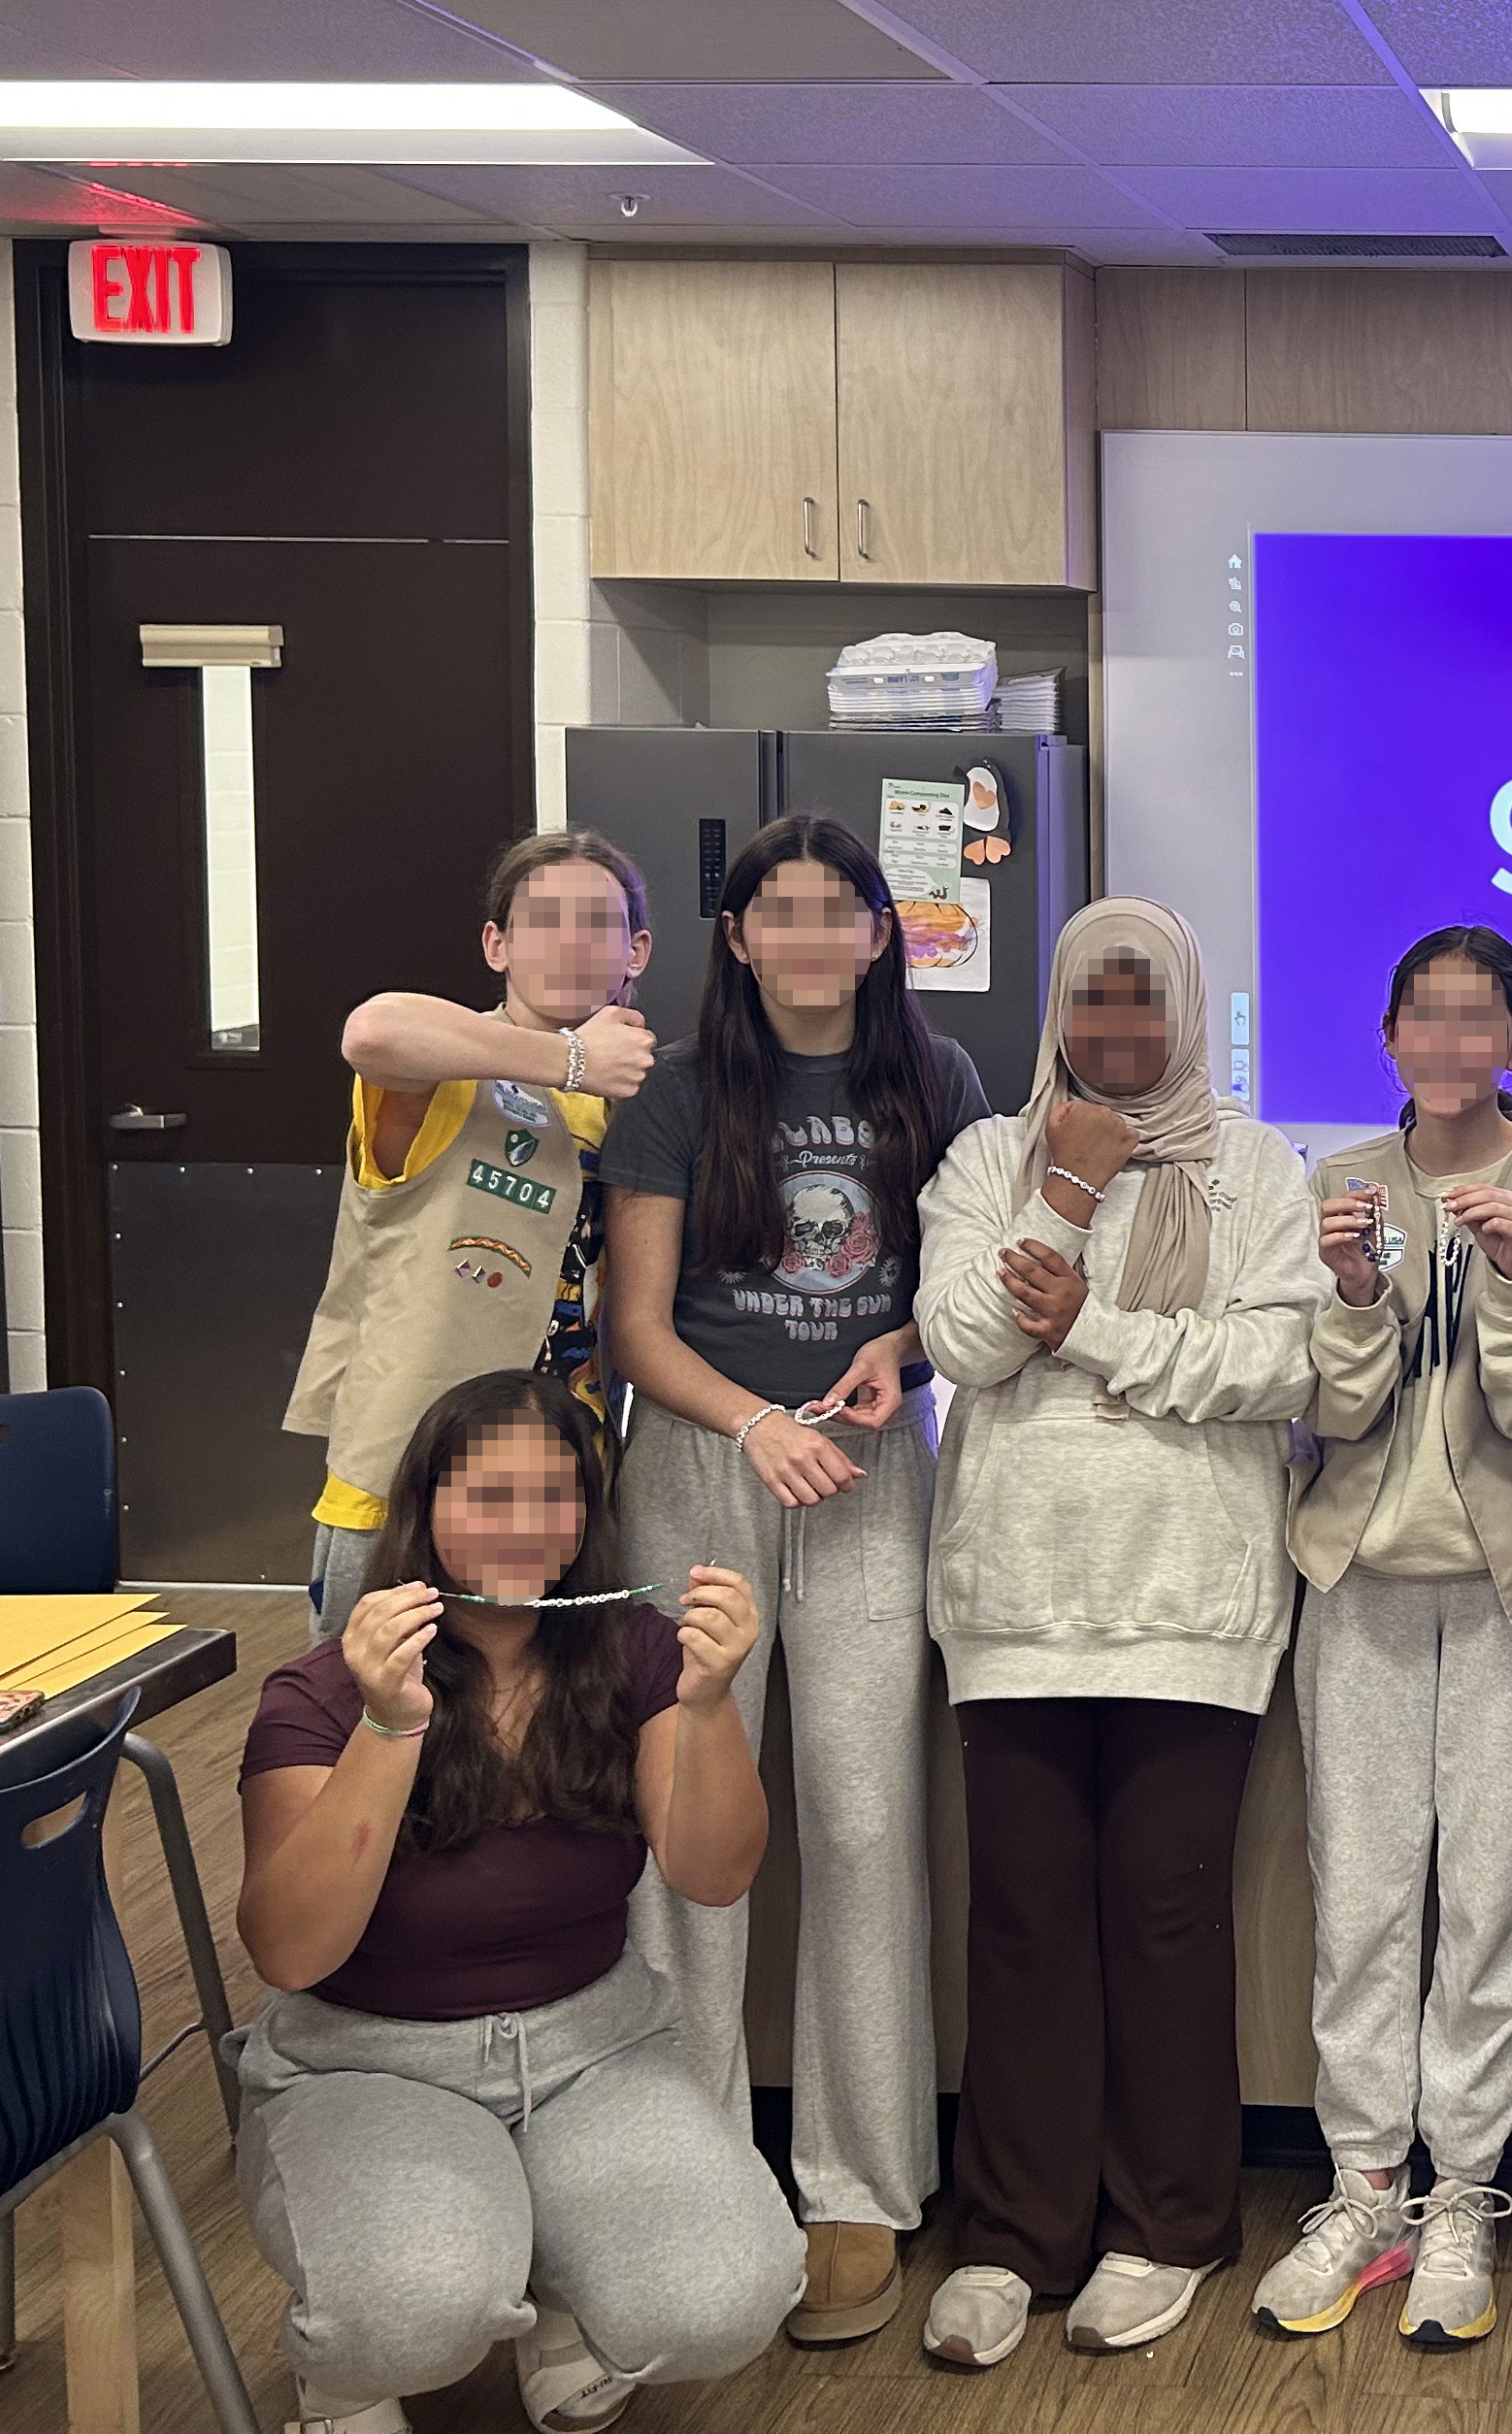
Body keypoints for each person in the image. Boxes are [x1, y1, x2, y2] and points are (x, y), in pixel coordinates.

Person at [233, 1368, 801, 2434]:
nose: (524, 1526)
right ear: (424, 1508)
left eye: (555, 1495)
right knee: (411, 2312)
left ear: (588, 1515)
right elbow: (290, 1952)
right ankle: (348, 2369)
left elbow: (713, 1873)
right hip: (365, 2061)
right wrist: (390, 1727)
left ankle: (558, 2290)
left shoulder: (635, 1656)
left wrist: (711, 1700)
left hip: (595, 2049)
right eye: (486, 1497)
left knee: (725, 2299)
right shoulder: (321, 1691)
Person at [908, 896, 1320, 2368]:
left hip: (1191, 1603)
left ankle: (1167, 2225)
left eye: (1145, 1006)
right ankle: (1015, 2235)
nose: (1118, 1033)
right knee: (1019, 1920)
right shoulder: (986, 1157)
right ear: (1058, 1017)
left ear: (1189, 1015)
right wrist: (1065, 1194)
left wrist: (1093, 1329)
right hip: (1017, 1597)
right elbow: (961, 1340)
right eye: (1094, 1004)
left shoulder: (1258, 1168)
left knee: (1164, 1921)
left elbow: (1281, 1363)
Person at [603, 812, 990, 2350]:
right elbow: (639, 1327)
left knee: (863, 1813)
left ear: (882, 935)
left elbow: (948, 1291)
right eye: (784, 910)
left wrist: (898, 1353)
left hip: (873, 1465)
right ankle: (685, 2162)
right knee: (688, 1825)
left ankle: (858, 2184)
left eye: (842, 909)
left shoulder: (938, 1082)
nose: (814, 934)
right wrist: (754, 1423)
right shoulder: (680, 1091)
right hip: (705, 1462)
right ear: (743, 937)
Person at [1256, 926, 1512, 2352]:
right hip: (1364, 1581)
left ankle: (1462, 2193)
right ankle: (1362, 2184)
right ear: (1386, 1035)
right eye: (1424, 1018)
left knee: (1491, 1895)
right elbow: (1329, 1414)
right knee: (1365, 1893)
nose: (1448, 1045)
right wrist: (1343, 1298)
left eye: (1479, 1022)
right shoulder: (1336, 1186)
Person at [289, 829, 654, 1632]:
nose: (568, 941)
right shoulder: (447, 1073)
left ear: (636, 951)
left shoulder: (641, 1100)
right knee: (374, 1720)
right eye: (543, 919)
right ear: (498, 944)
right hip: (407, 1479)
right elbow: (372, 1032)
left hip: (566, 1487)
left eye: (595, 921)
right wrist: (565, 1058)